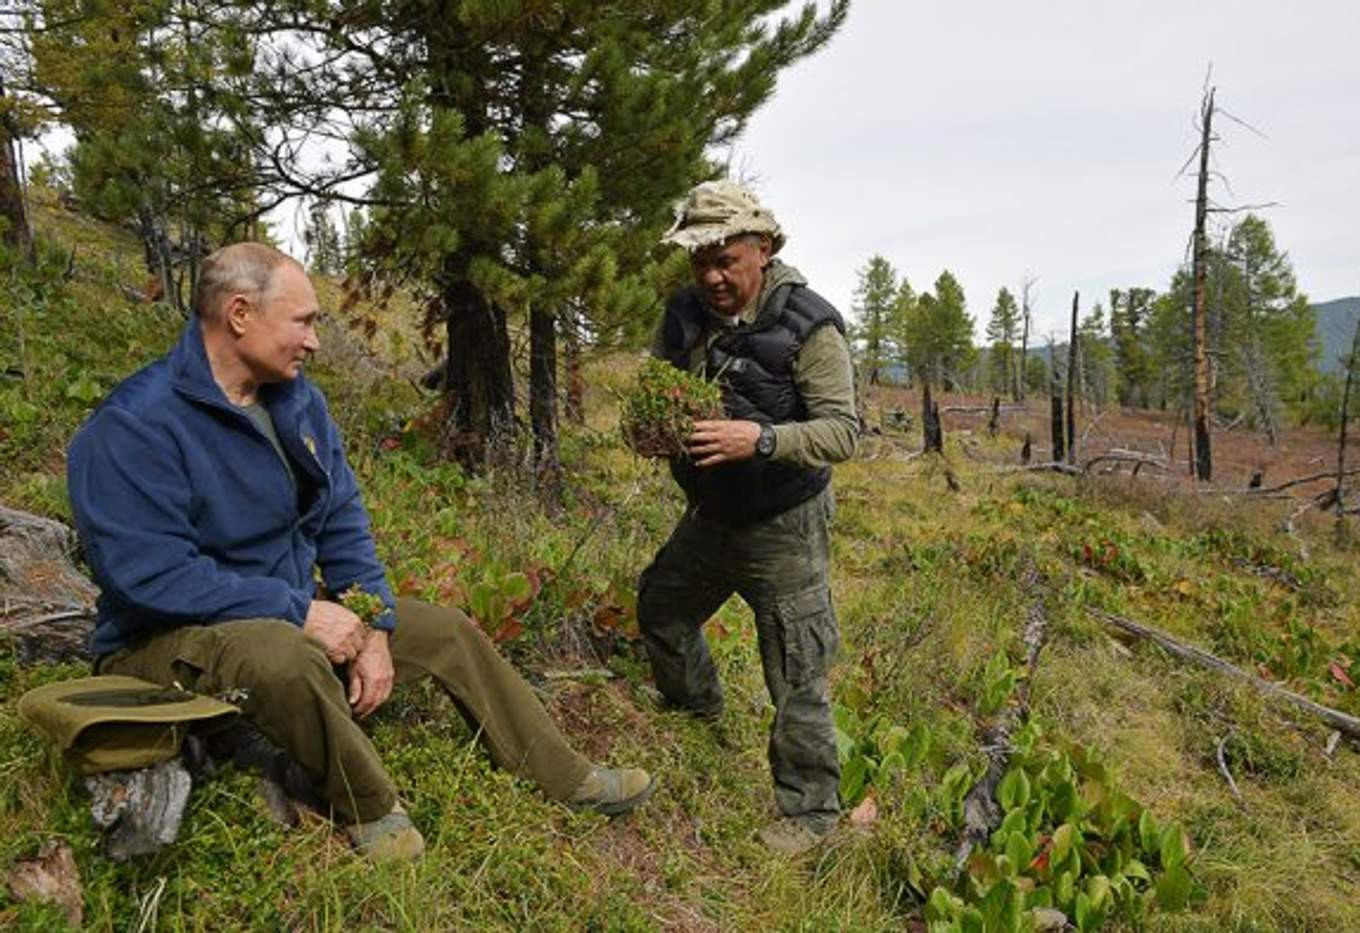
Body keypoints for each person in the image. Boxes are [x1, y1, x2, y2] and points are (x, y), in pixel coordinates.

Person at [66, 243, 654, 862]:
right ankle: (370, 807)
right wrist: (298, 611)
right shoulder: (134, 426)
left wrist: (371, 624)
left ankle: (564, 775)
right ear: (239, 313)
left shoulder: (296, 401)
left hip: (279, 613)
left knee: (446, 631)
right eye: (303, 321)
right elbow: (149, 577)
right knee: (281, 654)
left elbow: (342, 521)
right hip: (163, 641)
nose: (315, 342)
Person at [638, 181, 858, 855]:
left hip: (784, 524)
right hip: (709, 514)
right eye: (698, 261)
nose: (710, 276)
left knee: (795, 670)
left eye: (725, 259)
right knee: (661, 608)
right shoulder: (681, 315)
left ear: (761, 248)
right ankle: (697, 713)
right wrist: (653, 430)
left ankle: (812, 815)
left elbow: (843, 432)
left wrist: (757, 438)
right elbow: (656, 390)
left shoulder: (810, 326)